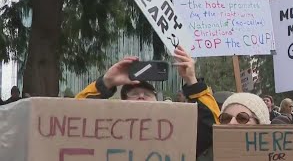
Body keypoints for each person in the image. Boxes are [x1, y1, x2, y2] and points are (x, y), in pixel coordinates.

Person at [76, 45, 221, 158]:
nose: (140, 96)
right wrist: (106, 82)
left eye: (146, 93)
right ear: (122, 102)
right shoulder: (105, 137)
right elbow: (73, 118)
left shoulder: (177, 138)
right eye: (133, 94)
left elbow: (213, 128)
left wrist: (192, 81)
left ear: (159, 102)